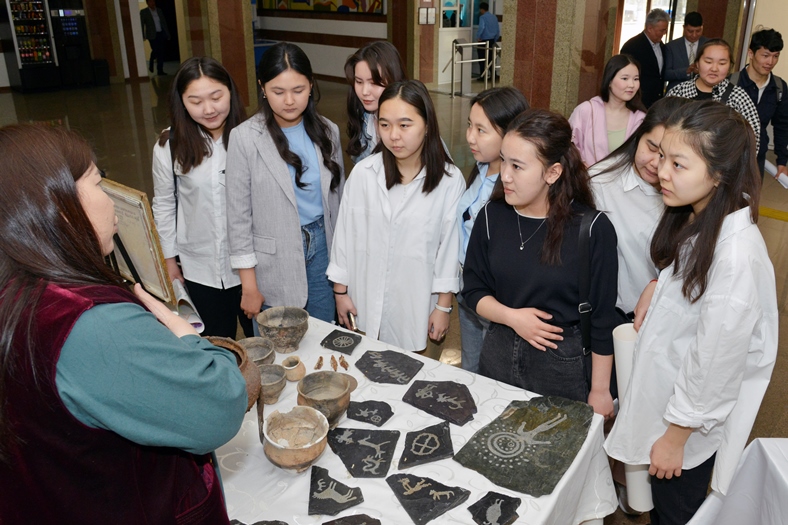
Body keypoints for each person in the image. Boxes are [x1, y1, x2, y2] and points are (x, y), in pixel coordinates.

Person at [0, 124, 247, 523]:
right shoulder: (90, 324)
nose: (111, 199)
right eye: (98, 183)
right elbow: (221, 405)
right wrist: (186, 337)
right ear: (59, 206)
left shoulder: (18, 293)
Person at [605, 100, 778, 525]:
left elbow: (715, 362)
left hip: (684, 431)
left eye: (678, 164)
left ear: (718, 174)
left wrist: (675, 437)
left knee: (674, 513)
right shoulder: (703, 218)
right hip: (668, 407)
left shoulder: (735, 257)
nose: (661, 171)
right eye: (662, 155)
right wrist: (656, 286)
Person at [462, 108, 619, 418]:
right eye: (503, 161)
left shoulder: (592, 229)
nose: (505, 175)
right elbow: (473, 290)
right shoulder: (492, 216)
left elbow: (602, 318)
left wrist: (600, 390)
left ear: (552, 173)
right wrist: (512, 317)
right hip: (498, 354)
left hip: (562, 365)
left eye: (517, 166)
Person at [327, 80, 465, 351]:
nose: (393, 136)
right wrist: (340, 292)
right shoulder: (364, 174)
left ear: (427, 124)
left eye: (404, 125)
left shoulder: (449, 181)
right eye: (385, 124)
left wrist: (443, 307)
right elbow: (344, 237)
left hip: (417, 307)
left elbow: (449, 250)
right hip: (364, 301)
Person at [226, 42, 345, 325]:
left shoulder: (328, 131)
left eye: (298, 90)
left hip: (323, 251)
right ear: (263, 88)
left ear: (311, 85)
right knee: (276, 344)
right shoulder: (244, 138)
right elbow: (238, 217)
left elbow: (339, 203)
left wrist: (343, 275)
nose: (289, 101)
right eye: (278, 92)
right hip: (272, 259)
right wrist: (249, 285)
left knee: (322, 335)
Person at [151, 57, 252, 339]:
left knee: (261, 344)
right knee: (216, 345)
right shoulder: (169, 145)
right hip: (199, 269)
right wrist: (169, 260)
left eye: (216, 97)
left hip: (252, 269)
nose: (208, 109)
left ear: (230, 92)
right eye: (195, 101)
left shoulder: (252, 137)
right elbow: (164, 204)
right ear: (181, 102)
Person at [589, 97, 692, 315]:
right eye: (651, 147)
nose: (656, 163)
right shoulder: (600, 183)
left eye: (669, 158)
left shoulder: (691, 193)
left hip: (667, 315)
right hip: (614, 315)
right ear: (638, 136)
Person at [457, 86, 529, 372]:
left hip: (495, 299)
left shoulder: (514, 189)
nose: (470, 137)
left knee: (494, 372)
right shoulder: (480, 168)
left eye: (481, 130)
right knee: (470, 366)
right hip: (467, 289)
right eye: (469, 126)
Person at [666, 39, 761, 148]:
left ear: (730, 66)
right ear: (697, 63)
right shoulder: (678, 92)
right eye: (708, 62)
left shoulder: (739, 97)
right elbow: (663, 129)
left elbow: (753, 139)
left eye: (722, 63)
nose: (714, 68)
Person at [569, 54, 647, 166]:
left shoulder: (640, 119)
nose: (632, 85)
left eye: (636, 79)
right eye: (625, 78)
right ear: (609, 81)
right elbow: (568, 148)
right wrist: (583, 169)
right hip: (585, 175)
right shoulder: (586, 111)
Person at [731, 28, 788, 179]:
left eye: (776, 56)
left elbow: (782, 125)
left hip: (757, 159)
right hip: (728, 157)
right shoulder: (731, 83)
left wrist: (782, 161)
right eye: (765, 55)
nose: (770, 62)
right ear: (751, 53)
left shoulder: (779, 87)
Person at [344, 41, 407, 164]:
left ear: (393, 80)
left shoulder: (414, 125)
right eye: (359, 82)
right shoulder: (362, 118)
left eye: (373, 83)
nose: (364, 92)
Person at [620, 8, 669, 108]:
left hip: (656, 101)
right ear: (650, 28)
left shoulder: (662, 46)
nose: (664, 33)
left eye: (665, 30)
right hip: (638, 102)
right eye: (662, 30)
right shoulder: (632, 46)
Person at [664, 11, 709, 92]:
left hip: (703, 92)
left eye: (698, 31)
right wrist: (686, 71)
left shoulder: (709, 45)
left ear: (702, 27)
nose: (694, 35)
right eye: (690, 31)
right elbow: (666, 74)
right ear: (684, 27)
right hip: (677, 92)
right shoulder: (671, 46)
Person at [140, 0, 170, 76]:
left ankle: (160, 70)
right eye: (150, 2)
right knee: (155, 50)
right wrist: (142, 35)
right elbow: (142, 24)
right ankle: (151, 60)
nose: (152, 3)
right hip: (152, 35)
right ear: (147, 3)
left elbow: (163, 22)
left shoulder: (159, 10)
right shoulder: (144, 12)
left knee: (161, 52)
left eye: (153, 1)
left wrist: (167, 33)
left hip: (160, 33)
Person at [476, 2, 500, 80]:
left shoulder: (482, 17)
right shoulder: (494, 17)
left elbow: (481, 27)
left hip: (483, 41)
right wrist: (495, 39)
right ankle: (493, 75)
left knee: (482, 59)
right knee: (491, 59)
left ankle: (483, 76)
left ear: (482, 9)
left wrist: (478, 37)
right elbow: (497, 30)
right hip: (492, 41)